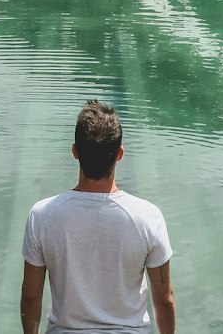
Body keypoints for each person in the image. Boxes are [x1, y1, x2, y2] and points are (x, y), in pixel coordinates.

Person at [20, 100, 176, 334]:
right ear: (120, 154)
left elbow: (31, 297)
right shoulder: (148, 217)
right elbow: (164, 300)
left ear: (75, 152)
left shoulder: (42, 215)